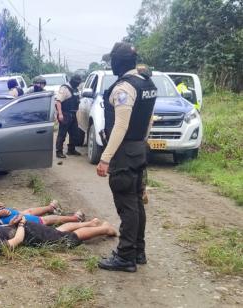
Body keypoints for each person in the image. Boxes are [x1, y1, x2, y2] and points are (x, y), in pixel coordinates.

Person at [96, 42, 157, 272]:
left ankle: (125, 256)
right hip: (139, 149)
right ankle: (138, 251)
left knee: (127, 205)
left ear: (117, 62)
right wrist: (143, 140)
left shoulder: (124, 88)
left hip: (124, 153)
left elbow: (120, 125)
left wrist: (105, 158)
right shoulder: (146, 83)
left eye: (112, 60)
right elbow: (150, 118)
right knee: (136, 202)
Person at [0, 215, 117, 256]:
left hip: (26, 231)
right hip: (18, 225)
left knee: (67, 240)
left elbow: (17, 241)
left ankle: (104, 229)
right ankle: (91, 223)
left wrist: (21, 225)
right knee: (59, 232)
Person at [55, 75, 83, 158]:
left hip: (73, 114)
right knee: (62, 134)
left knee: (74, 133)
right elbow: (58, 102)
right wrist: (60, 114)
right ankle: (59, 151)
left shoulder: (75, 89)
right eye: (77, 83)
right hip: (65, 114)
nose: (78, 85)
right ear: (73, 82)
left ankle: (71, 150)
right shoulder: (65, 89)